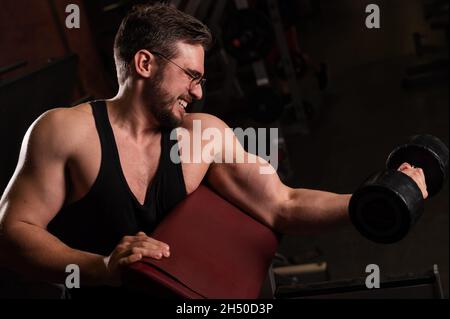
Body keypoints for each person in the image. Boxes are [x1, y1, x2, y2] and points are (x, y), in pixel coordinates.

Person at [0, 4, 427, 298]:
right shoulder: (64, 132)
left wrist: (378, 198)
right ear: (145, 64)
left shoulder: (204, 136)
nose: (199, 93)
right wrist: (102, 267)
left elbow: (284, 203)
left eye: (201, 80)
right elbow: (13, 231)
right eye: (191, 76)